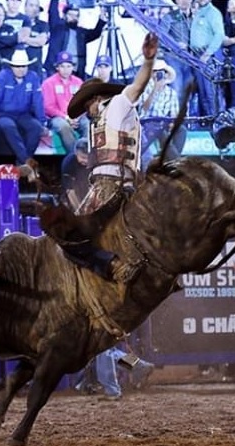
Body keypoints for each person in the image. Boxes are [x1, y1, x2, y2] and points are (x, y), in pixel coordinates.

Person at [43, 33, 158, 283]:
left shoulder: (117, 105)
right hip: (106, 185)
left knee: (71, 234)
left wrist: (148, 62)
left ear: (95, 99)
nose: (86, 111)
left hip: (113, 186)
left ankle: (113, 266)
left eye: (87, 106)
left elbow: (137, 87)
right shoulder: (98, 123)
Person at [0, 49, 45, 165]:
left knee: (36, 128)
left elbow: (38, 101)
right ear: (11, 66)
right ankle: (26, 162)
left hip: (24, 115)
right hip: (3, 114)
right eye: (18, 66)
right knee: (9, 126)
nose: (21, 69)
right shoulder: (3, 76)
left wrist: (43, 122)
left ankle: (22, 162)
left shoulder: (33, 77)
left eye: (24, 66)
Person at [139, 59, 186, 166]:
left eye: (162, 71)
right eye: (156, 71)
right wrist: (155, 89)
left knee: (181, 130)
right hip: (146, 123)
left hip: (163, 123)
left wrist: (172, 124)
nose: (159, 74)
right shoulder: (144, 89)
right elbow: (144, 108)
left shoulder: (171, 92)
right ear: (152, 74)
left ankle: (169, 159)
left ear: (166, 74)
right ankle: (176, 162)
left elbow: (174, 114)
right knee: (160, 130)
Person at [44, 0, 106, 79]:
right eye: (71, 15)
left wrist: (101, 20)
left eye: (76, 16)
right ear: (64, 15)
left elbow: (95, 33)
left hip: (77, 71)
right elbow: (52, 12)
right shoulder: (57, 27)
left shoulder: (81, 33)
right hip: (56, 70)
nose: (74, 18)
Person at [42, 51, 88, 154]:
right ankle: (75, 156)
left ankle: (87, 154)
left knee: (87, 124)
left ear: (73, 67)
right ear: (57, 67)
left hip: (77, 116)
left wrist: (77, 116)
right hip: (56, 118)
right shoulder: (49, 83)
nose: (66, 70)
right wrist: (66, 117)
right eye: (62, 66)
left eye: (68, 66)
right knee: (63, 126)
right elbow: (48, 107)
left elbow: (84, 103)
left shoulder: (79, 82)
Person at [61, 137, 90, 211]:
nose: (86, 161)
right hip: (73, 195)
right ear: (76, 153)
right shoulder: (68, 163)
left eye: (88, 158)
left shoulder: (95, 161)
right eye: (83, 157)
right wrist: (79, 210)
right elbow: (69, 190)